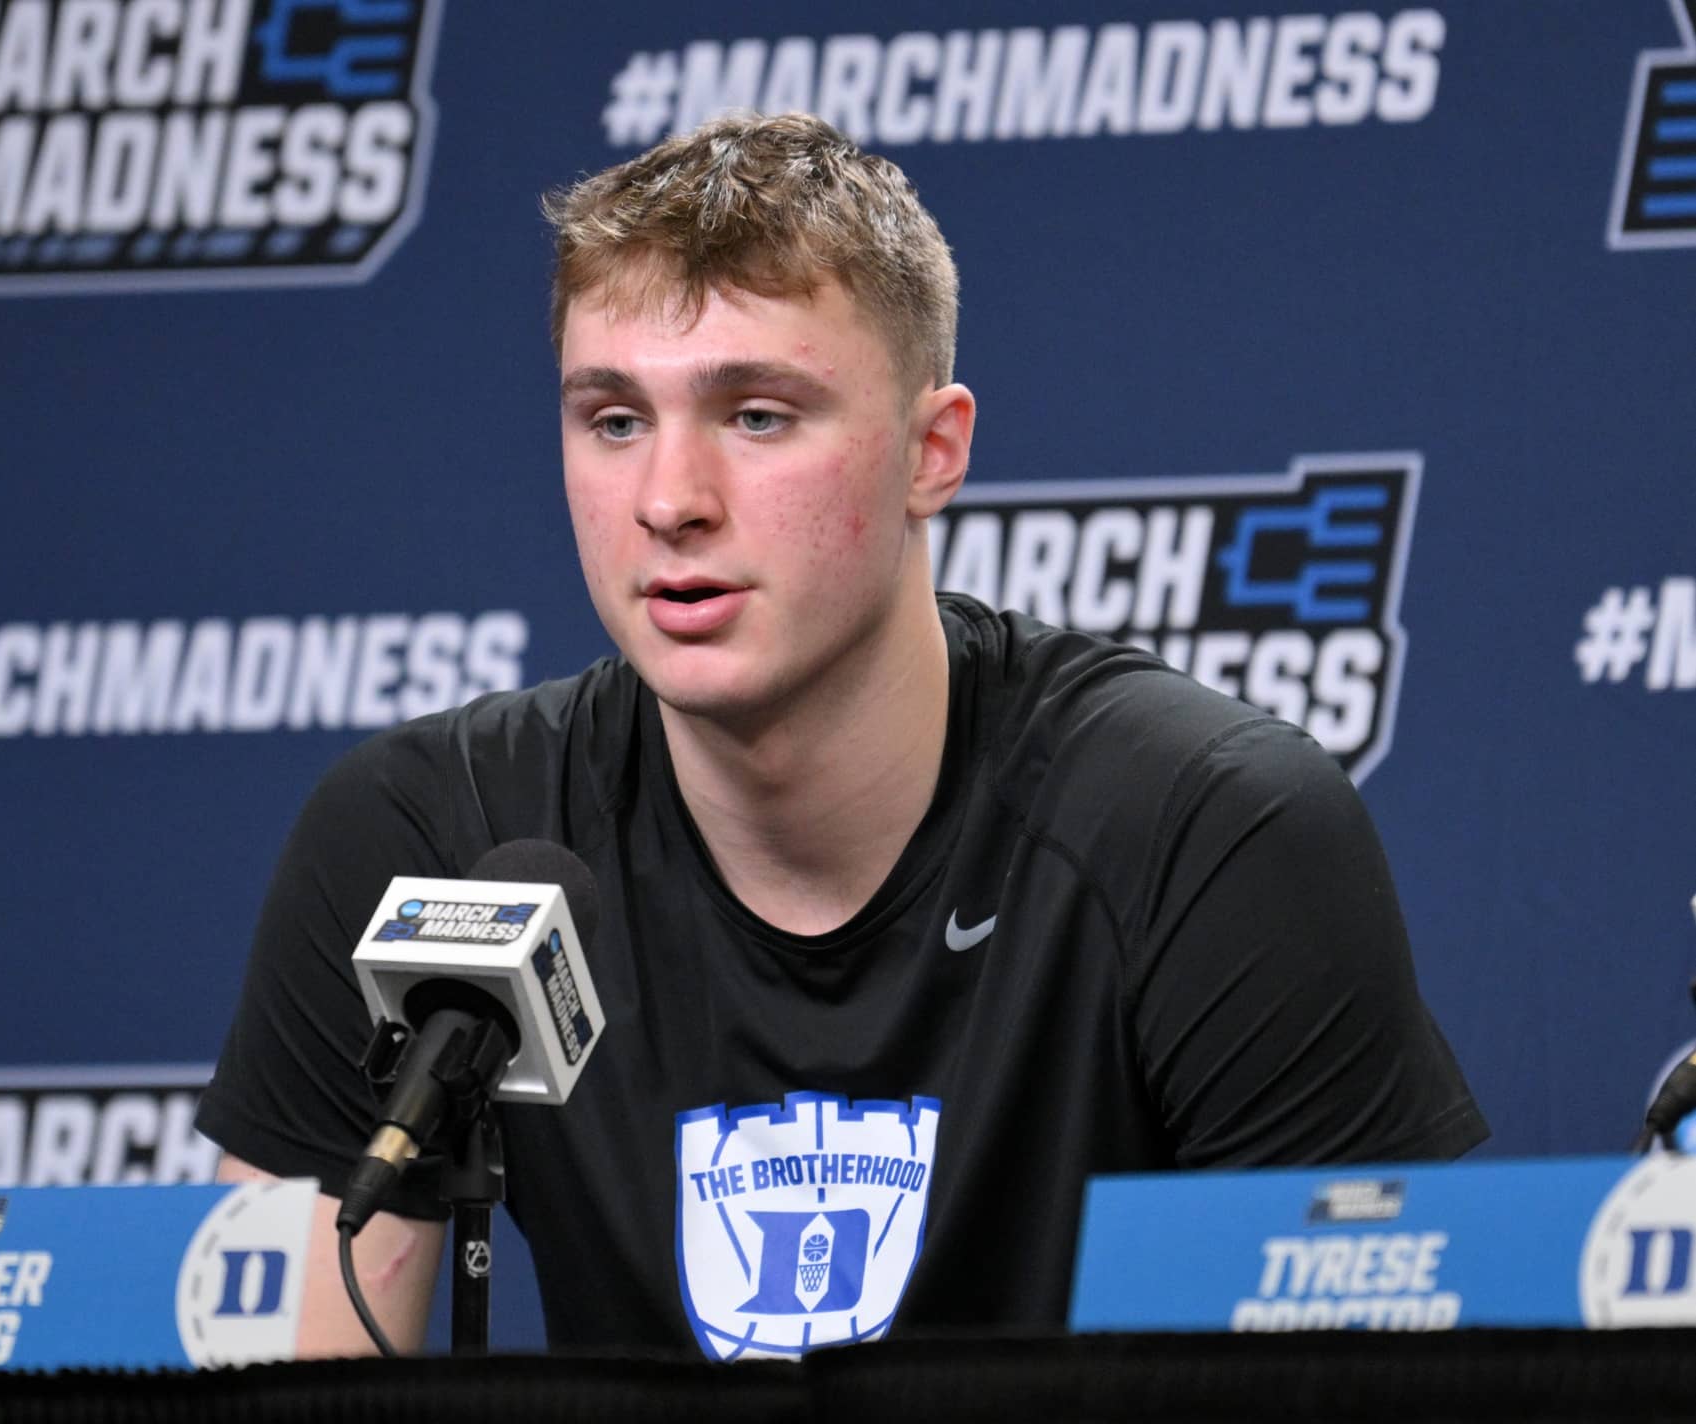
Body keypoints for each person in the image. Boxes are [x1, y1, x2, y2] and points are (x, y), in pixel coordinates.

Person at [196, 112, 1486, 1360]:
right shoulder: (435, 840)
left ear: (932, 452)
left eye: (758, 415)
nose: (670, 502)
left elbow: (1362, 1374)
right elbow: (281, 1379)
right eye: (615, 419)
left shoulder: (1204, 832)